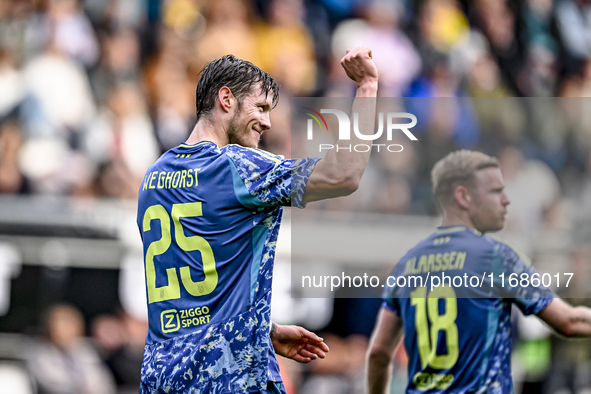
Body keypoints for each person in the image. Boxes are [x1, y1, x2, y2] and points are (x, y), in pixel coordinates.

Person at [137, 46, 378, 394]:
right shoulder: (238, 166)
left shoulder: (154, 177)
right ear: (226, 99)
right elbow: (344, 175)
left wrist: (263, 330)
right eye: (261, 108)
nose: (267, 122)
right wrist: (367, 87)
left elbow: (188, 294)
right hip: (230, 376)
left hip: (163, 377)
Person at [366, 150, 591, 394]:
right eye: (494, 191)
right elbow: (569, 322)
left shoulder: (408, 265)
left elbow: (378, 354)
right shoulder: (497, 257)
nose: (505, 200)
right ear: (463, 197)